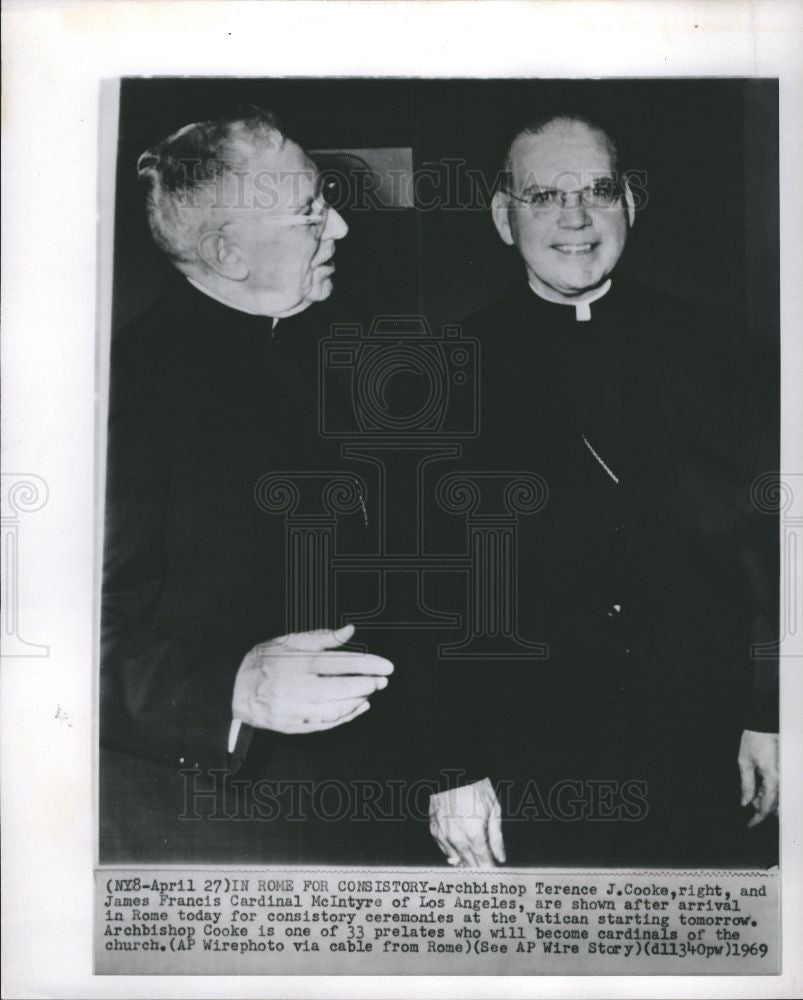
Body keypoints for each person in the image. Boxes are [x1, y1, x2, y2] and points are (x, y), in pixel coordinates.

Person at [428, 112, 779, 868]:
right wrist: (452, 769)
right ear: (502, 216)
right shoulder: (446, 365)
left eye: (596, 190)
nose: (576, 218)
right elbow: (428, 591)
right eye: (545, 197)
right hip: (526, 761)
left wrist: (770, 713)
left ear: (630, 205)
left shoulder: (720, 346)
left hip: (702, 745)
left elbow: (775, 542)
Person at [100, 108, 417, 863]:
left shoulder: (324, 350)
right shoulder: (122, 390)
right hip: (211, 826)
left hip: (356, 803)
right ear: (226, 252)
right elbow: (54, 642)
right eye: (312, 212)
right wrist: (230, 688)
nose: (339, 228)